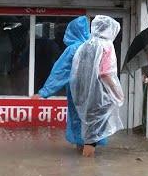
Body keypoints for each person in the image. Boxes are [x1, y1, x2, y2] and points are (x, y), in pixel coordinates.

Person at [33, 16, 105, 152]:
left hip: (78, 92)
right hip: (95, 92)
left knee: (78, 121)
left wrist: (44, 92)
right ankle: (90, 161)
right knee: (92, 121)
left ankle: (82, 157)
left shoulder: (73, 49)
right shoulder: (96, 48)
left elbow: (60, 72)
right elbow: (107, 71)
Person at [70, 15, 125, 157]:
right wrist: (117, 92)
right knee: (92, 138)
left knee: (89, 133)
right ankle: (87, 171)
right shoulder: (106, 46)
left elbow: (76, 73)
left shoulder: (86, 45)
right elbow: (105, 74)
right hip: (99, 97)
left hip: (84, 95)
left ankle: (83, 168)